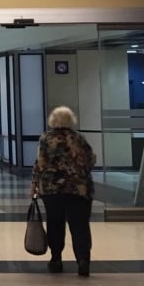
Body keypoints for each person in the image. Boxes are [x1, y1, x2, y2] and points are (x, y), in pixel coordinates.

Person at [30, 105, 96, 277]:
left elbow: (40, 163)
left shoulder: (46, 139)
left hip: (52, 188)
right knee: (80, 225)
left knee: (55, 223)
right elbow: (91, 159)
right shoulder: (79, 138)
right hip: (79, 188)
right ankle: (83, 260)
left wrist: (34, 184)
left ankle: (56, 258)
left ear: (53, 120)